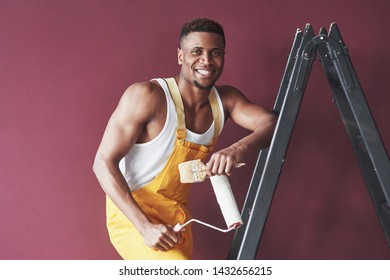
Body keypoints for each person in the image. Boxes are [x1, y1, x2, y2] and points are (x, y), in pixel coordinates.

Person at [93, 18, 277, 260]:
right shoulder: (147, 96)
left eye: (216, 53)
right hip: (133, 214)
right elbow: (102, 164)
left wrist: (238, 148)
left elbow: (272, 124)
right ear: (181, 56)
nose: (207, 61)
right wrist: (144, 227)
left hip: (177, 217)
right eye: (197, 52)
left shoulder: (226, 100)